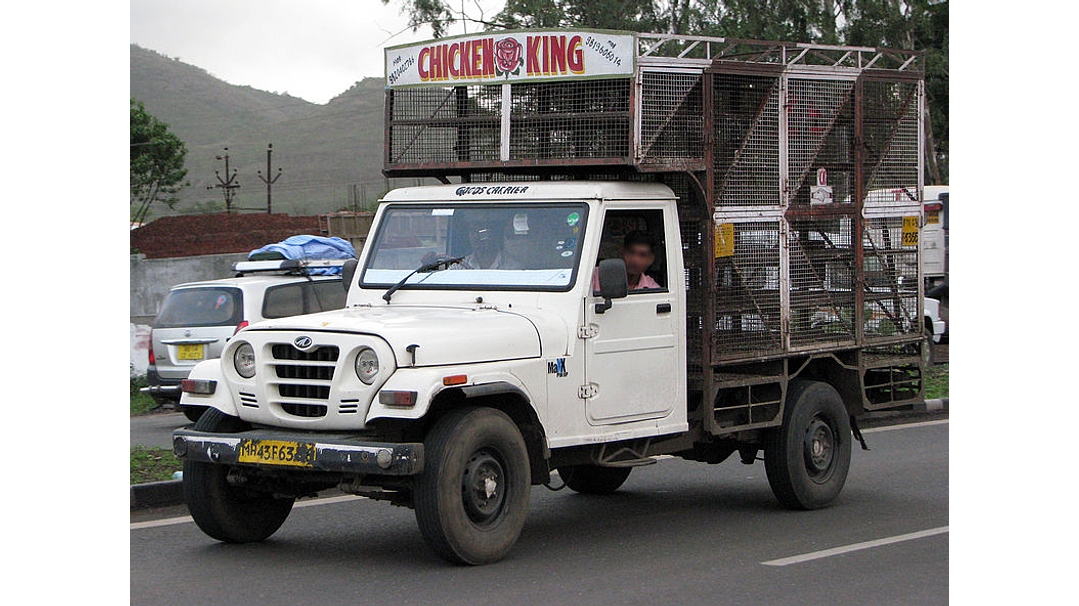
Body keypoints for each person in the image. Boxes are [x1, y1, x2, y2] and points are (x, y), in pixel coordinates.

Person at [594, 230, 661, 291]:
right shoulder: (596, 276)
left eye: (642, 255)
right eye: (631, 252)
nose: (635, 259)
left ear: (651, 259)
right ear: (622, 251)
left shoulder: (653, 289)